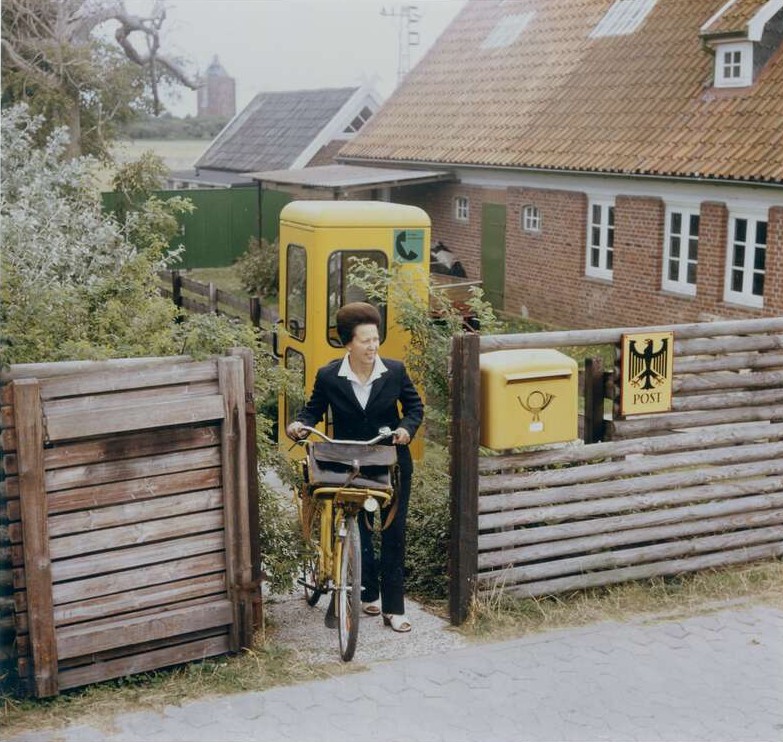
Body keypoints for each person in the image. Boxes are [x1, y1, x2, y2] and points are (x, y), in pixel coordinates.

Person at [287, 302, 424, 633]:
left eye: (376, 339)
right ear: (348, 342)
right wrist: (300, 425)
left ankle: (394, 609)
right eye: (365, 341)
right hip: (349, 465)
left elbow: (415, 407)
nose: (373, 346)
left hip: (391, 463)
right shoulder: (329, 376)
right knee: (358, 528)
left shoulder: (394, 371)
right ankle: (368, 592)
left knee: (393, 533)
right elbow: (313, 410)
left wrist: (406, 429)